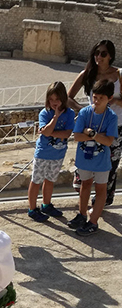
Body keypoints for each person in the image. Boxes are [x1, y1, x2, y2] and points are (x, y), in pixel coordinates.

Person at [67, 38, 122, 207]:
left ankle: (99, 206)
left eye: (103, 53)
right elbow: (68, 97)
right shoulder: (88, 73)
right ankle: (84, 207)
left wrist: (114, 101)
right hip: (91, 126)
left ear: (111, 56)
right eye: (96, 53)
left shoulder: (119, 74)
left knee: (109, 168)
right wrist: (83, 110)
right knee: (86, 162)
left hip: (115, 126)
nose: (99, 56)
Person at [67, 80, 118, 236]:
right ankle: (82, 214)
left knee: (101, 189)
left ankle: (93, 222)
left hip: (102, 160)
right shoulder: (84, 112)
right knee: (85, 184)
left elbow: (109, 140)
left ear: (109, 98)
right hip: (84, 157)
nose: (96, 101)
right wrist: (98, 136)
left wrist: (92, 134)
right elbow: (77, 136)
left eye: (100, 98)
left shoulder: (111, 117)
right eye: (94, 97)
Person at [27, 81, 74, 222]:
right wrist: (55, 117)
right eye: (51, 99)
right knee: (36, 180)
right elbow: (46, 132)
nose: (54, 102)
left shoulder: (70, 113)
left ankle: (46, 204)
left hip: (58, 154)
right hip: (43, 153)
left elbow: (66, 134)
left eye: (57, 99)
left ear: (63, 99)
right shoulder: (45, 113)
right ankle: (32, 208)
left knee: (50, 180)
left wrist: (50, 132)